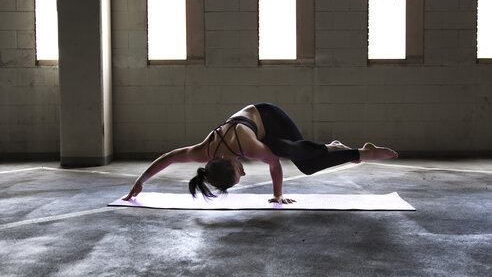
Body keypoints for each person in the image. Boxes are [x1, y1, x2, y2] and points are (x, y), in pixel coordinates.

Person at [123, 103, 398, 204]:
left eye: (240, 173)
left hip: (270, 117)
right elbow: (170, 157)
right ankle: (360, 153)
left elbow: (275, 163)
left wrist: (277, 195)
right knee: (308, 168)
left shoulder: (248, 146)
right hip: (259, 131)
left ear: (230, 163)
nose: (245, 171)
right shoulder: (203, 152)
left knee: (293, 152)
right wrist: (141, 181)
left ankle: (334, 147)